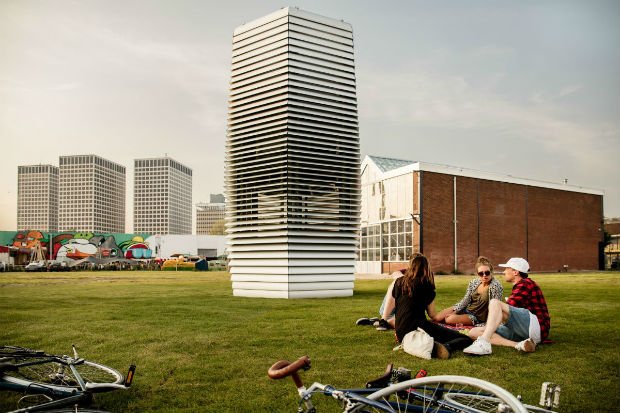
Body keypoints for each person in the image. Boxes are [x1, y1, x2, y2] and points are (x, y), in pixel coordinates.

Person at [381, 253, 473, 359]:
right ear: (426, 268)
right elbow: (433, 315)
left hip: (400, 332)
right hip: (418, 327)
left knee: (437, 331)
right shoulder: (427, 286)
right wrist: (454, 309)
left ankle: (435, 345)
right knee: (465, 339)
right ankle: (447, 347)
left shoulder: (398, 282)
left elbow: (388, 314)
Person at [463, 257, 551, 356]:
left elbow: (505, 311)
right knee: (474, 332)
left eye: (506, 269)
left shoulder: (525, 284)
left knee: (495, 303)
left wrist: (492, 322)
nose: (504, 272)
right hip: (526, 330)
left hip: (536, 327)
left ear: (515, 272)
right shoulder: (523, 285)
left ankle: (484, 342)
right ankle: (519, 345)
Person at [433, 256, 504, 326]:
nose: (484, 275)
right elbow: (466, 299)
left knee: (449, 319)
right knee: (437, 318)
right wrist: (456, 311)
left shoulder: (496, 286)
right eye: (481, 273)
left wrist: (490, 323)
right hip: (466, 309)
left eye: (487, 273)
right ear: (477, 274)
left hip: (476, 316)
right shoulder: (474, 282)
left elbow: (496, 308)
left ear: (491, 272)